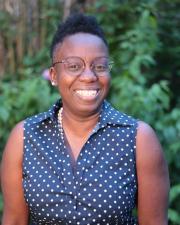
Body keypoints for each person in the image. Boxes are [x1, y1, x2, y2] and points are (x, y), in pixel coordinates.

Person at [1, 13, 169, 225]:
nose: (89, 76)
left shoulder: (138, 138)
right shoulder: (25, 137)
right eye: (74, 66)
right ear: (53, 75)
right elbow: (14, 220)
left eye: (99, 66)